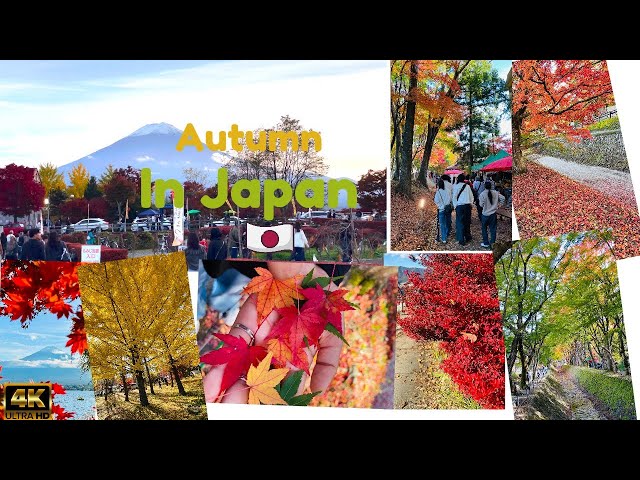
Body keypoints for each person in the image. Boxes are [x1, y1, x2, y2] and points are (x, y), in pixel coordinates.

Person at [478, 181, 505, 248]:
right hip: (493, 214)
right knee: (493, 229)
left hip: (485, 214)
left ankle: (486, 243)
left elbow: (481, 205)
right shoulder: (496, 193)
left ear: (484, 186)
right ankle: (493, 243)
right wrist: (499, 205)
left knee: (484, 229)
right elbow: (503, 198)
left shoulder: (482, 194)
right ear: (491, 186)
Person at [452, 173, 473, 246]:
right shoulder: (467, 186)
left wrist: (455, 206)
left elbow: (454, 197)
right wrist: (471, 204)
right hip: (467, 206)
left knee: (460, 222)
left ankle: (461, 239)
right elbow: (471, 196)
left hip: (460, 206)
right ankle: (468, 237)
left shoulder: (455, 186)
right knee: (467, 222)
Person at [434, 179, 453, 244]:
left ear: (438, 185)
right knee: (447, 222)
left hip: (441, 210)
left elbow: (436, 201)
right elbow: (450, 199)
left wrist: (440, 206)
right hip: (448, 209)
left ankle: (444, 238)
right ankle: (446, 233)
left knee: (442, 224)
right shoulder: (447, 191)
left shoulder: (438, 192)